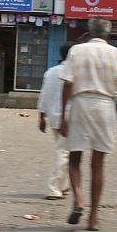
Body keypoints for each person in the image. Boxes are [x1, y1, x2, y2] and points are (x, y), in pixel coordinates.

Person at [59, 17, 117, 231]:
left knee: (74, 159)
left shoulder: (77, 51)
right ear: (107, 34)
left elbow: (67, 85)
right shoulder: (116, 53)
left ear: (89, 32)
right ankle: (93, 218)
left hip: (80, 104)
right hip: (105, 106)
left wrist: (63, 115)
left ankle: (78, 199)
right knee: (98, 165)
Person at [37, 42, 75, 200]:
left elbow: (44, 95)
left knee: (64, 150)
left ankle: (64, 184)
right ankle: (54, 188)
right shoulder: (74, 72)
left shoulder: (51, 72)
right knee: (63, 152)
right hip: (67, 117)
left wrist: (41, 117)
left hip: (53, 116)